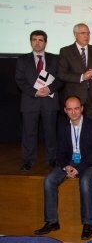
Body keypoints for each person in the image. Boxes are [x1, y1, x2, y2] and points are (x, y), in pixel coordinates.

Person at [33, 95, 92, 240]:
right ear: (65, 110)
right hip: (70, 164)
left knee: (84, 181)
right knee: (49, 180)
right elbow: (60, 153)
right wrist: (66, 166)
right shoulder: (63, 128)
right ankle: (52, 221)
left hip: (89, 163)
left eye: (76, 108)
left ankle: (88, 223)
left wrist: (79, 168)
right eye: (70, 109)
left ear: (82, 109)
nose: (74, 112)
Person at [15, 30, 62, 171]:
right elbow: (20, 80)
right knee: (29, 133)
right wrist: (35, 92)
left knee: (50, 132)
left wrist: (49, 89)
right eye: (34, 39)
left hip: (50, 101)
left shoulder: (55, 59)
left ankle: (52, 159)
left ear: (45, 43)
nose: (37, 42)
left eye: (40, 40)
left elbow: (61, 79)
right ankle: (28, 160)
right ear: (30, 42)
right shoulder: (22, 60)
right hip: (30, 101)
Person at [58, 23, 92, 122]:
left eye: (88, 33)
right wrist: (82, 77)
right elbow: (62, 74)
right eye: (83, 33)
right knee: (74, 127)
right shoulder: (66, 51)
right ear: (75, 34)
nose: (86, 36)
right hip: (74, 97)